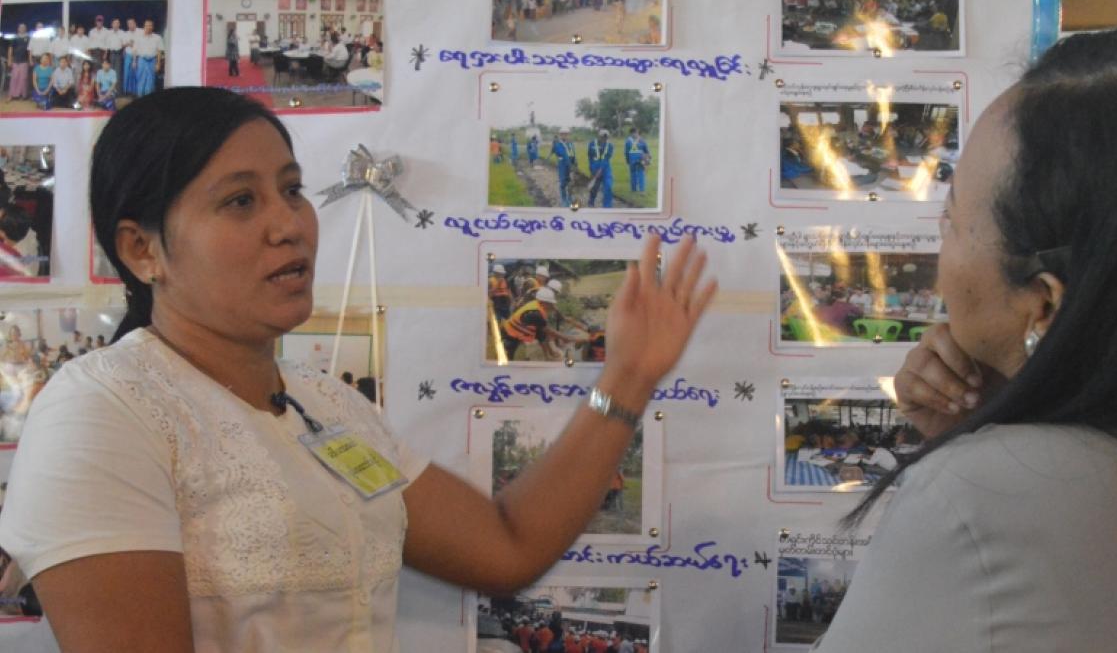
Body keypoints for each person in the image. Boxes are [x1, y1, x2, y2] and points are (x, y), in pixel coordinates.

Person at [0, 86, 716, 652]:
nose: (288, 223)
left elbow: (506, 546)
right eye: (240, 201)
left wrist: (627, 377)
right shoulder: (103, 410)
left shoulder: (330, 409)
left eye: (291, 188)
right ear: (142, 249)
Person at [812, 19, 1117, 652]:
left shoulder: (979, 498)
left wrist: (978, 462)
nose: (938, 249)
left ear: (1043, 304)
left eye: (952, 220)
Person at [131, 20, 164, 96]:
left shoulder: (157, 38)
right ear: (144, 27)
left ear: (153, 27)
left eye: (150, 25)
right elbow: (135, 51)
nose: (148, 27)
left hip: (152, 61)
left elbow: (159, 51)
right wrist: (134, 62)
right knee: (140, 80)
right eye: (147, 25)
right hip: (141, 61)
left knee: (151, 81)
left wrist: (158, 64)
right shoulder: (139, 38)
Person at [587, 129, 615, 208]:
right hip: (594, 168)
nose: (604, 139)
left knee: (608, 186)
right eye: (603, 137)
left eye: (606, 137)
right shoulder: (592, 144)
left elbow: (606, 158)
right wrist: (591, 168)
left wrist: (601, 169)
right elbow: (589, 156)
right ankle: (591, 202)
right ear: (599, 136)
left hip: (606, 168)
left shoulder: (610, 146)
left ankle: (607, 206)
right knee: (594, 188)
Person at [551, 127, 577, 207]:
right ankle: (564, 199)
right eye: (563, 134)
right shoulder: (557, 145)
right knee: (563, 183)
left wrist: (575, 163)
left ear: (568, 135)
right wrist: (570, 166)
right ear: (560, 135)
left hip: (570, 166)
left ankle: (569, 198)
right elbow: (564, 155)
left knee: (571, 183)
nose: (565, 136)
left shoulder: (571, 144)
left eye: (566, 134)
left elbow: (573, 155)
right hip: (563, 166)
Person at [6, 24, 31, 102]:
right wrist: (9, 60)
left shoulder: (28, 38)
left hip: (24, 61)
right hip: (15, 61)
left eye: (24, 27)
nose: (22, 29)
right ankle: (11, 95)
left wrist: (30, 60)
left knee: (23, 79)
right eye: (21, 27)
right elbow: (10, 49)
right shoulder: (14, 38)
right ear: (18, 29)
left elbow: (30, 50)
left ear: (25, 29)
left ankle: (22, 95)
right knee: (14, 78)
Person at [120, 18, 140, 96]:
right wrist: (128, 44)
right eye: (128, 24)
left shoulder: (140, 32)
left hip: (137, 55)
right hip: (128, 54)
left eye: (132, 23)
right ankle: (127, 91)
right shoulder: (126, 33)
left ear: (135, 23)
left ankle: (136, 91)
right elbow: (122, 45)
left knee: (135, 73)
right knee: (127, 73)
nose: (130, 25)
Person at [104, 18, 124, 90]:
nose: (116, 24)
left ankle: (117, 90)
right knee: (111, 71)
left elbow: (123, 44)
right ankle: (110, 90)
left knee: (118, 72)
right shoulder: (109, 33)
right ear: (112, 24)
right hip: (111, 54)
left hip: (119, 53)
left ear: (119, 24)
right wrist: (106, 54)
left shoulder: (122, 32)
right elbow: (107, 44)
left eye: (117, 23)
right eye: (114, 23)